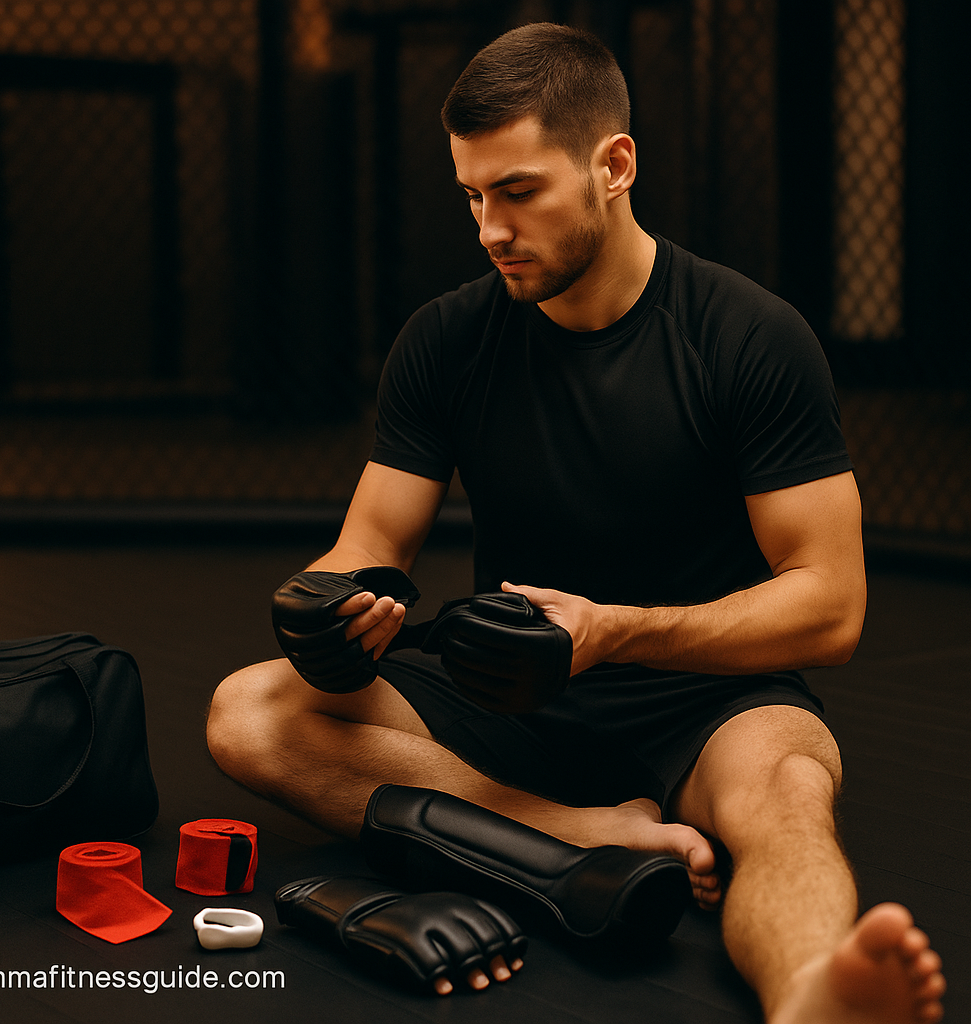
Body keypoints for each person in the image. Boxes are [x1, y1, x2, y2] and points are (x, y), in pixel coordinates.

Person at [207, 22, 946, 1022]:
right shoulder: (446, 338)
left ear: (613, 165)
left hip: (704, 696)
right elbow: (369, 547)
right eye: (472, 196)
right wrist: (328, 611)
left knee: (786, 794)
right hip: (509, 689)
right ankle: (576, 833)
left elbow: (831, 606)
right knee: (249, 711)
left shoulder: (747, 337)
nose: (489, 229)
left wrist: (614, 630)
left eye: (517, 191)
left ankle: (813, 991)